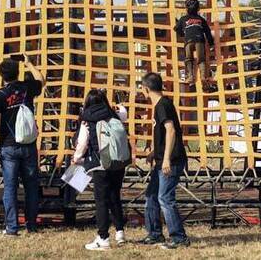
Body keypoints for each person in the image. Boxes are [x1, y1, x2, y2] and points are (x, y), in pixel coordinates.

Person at [0, 55, 45, 236]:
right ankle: (32, 225)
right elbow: (41, 81)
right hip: (28, 144)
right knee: (31, 187)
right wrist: (29, 63)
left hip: (9, 146)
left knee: (10, 188)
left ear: (2, 75)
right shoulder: (27, 88)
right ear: (18, 72)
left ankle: (12, 227)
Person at [139, 72, 190, 249]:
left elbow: (171, 131)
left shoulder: (162, 105)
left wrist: (167, 157)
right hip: (162, 159)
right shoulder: (161, 105)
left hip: (172, 160)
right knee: (151, 196)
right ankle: (154, 234)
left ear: (145, 89)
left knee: (165, 198)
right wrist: (155, 152)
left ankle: (179, 238)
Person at [72, 89, 126, 250]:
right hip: (118, 162)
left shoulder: (86, 119)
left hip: (100, 163)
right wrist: (119, 105)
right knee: (114, 195)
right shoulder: (114, 115)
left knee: (101, 200)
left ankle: (103, 238)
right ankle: (120, 231)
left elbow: (82, 143)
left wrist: (76, 158)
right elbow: (124, 112)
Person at [174, 0, 215, 85]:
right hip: (199, 40)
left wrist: (182, 34)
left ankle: (190, 77)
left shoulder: (183, 19)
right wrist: (211, 42)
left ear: (186, 9)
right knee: (201, 60)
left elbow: (176, 28)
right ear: (198, 9)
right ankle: (203, 76)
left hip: (188, 40)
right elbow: (207, 31)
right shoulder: (201, 19)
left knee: (188, 59)